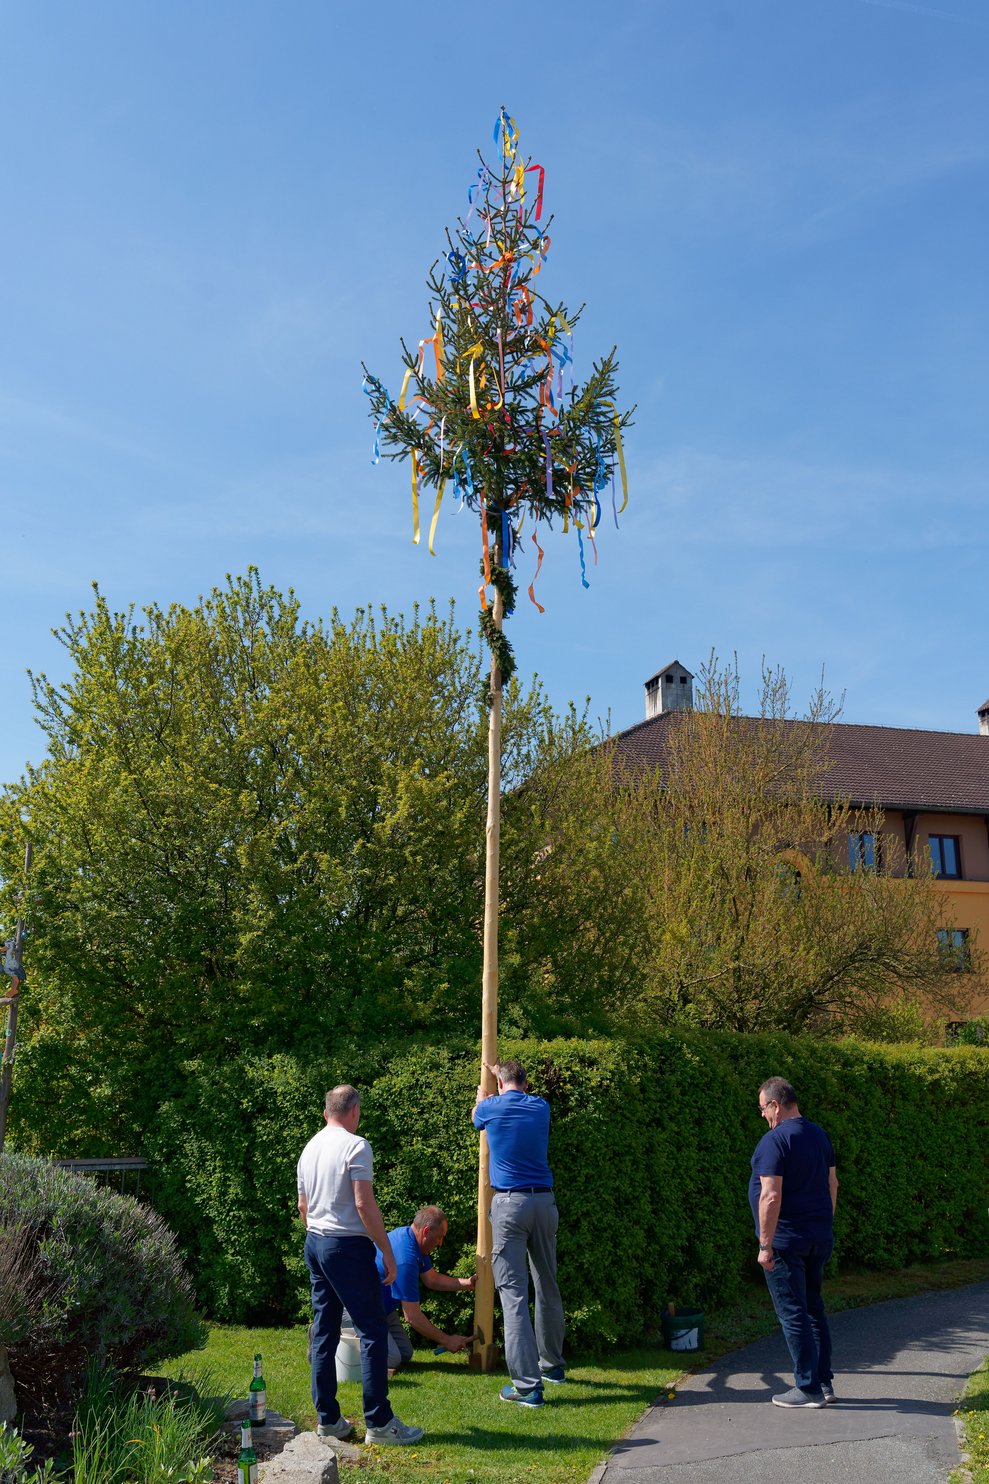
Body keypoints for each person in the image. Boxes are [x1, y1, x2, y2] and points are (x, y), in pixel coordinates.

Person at [297, 1084, 424, 1446]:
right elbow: (363, 1204)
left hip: (316, 1243)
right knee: (372, 1331)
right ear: (354, 1111)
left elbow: (303, 1207)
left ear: (327, 1112)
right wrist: (386, 1250)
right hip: (347, 1247)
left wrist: (321, 1239)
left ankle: (329, 1420)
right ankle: (380, 1424)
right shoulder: (356, 1146)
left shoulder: (309, 1149)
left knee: (325, 1330)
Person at [472, 1059, 565, 1408]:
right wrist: (500, 1080)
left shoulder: (490, 1107)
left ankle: (527, 1387)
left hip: (510, 1205)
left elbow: (476, 1118)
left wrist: (483, 1097)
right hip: (543, 1202)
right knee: (547, 1283)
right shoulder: (541, 1107)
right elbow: (514, 1091)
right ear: (526, 1084)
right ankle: (552, 1366)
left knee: (513, 1295)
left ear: (499, 1085)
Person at [750, 1076, 839, 1408]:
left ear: (775, 1104)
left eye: (762, 1108)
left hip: (786, 1241)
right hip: (818, 1236)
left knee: (793, 1313)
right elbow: (833, 1184)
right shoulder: (819, 1135)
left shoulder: (774, 1141)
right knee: (814, 1309)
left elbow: (771, 1197)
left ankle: (808, 1388)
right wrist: (823, 1224)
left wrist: (764, 1245)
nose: (762, 1115)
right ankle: (824, 1383)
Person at [374, 1205, 476, 1370]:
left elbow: (432, 1279)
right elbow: (412, 1316)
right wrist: (447, 1340)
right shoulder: (405, 1258)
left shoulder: (411, 1241)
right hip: (359, 1308)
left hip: (382, 1310)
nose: (440, 1244)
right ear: (427, 1231)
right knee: (392, 1359)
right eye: (439, 1238)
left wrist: (468, 1284)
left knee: (405, 1353)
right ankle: (337, 1338)